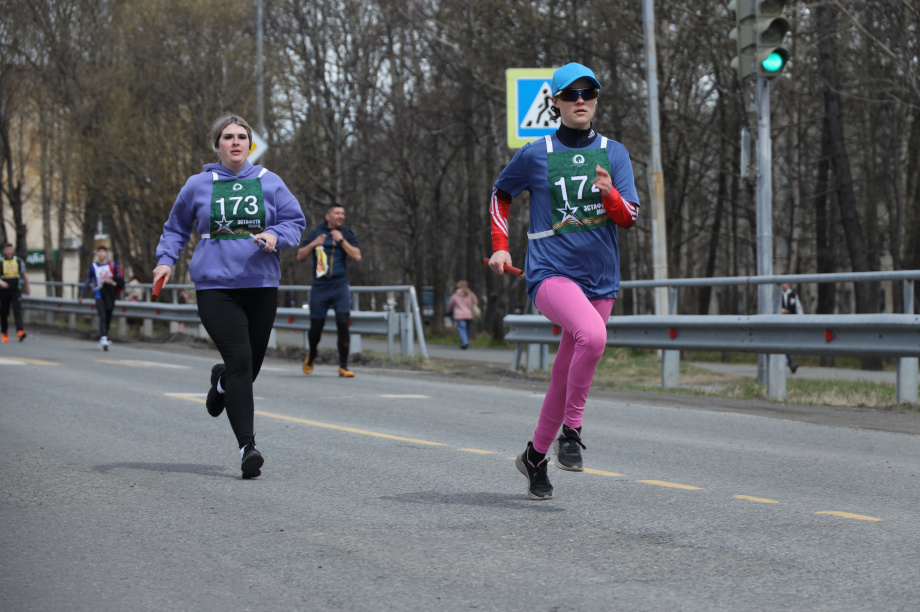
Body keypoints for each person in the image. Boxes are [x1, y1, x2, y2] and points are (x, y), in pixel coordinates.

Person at [488, 63, 640, 500]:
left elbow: (629, 217)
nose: (580, 100)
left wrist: (609, 194)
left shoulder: (615, 152)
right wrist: (501, 244)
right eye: (570, 94)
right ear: (554, 102)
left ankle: (534, 457)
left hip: (600, 280)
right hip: (550, 274)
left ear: (595, 99)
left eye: (588, 92)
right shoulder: (536, 153)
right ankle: (571, 431)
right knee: (593, 337)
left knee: (562, 373)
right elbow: (501, 193)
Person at [153, 113, 306, 480]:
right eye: (227, 137)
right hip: (215, 286)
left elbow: (294, 223)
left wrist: (275, 236)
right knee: (240, 359)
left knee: (247, 368)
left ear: (249, 145)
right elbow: (175, 228)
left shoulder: (270, 182)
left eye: (241, 137)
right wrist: (164, 262)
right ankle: (247, 448)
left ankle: (221, 383)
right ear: (217, 145)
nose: (235, 142)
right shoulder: (198, 184)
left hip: (260, 284)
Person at [296, 203, 362, 378]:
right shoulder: (316, 232)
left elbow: (356, 256)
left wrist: (340, 240)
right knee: (316, 327)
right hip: (320, 285)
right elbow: (300, 256)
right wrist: (314, 244)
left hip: (339, 285)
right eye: (337, 213)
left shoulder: (347, 234)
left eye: (343, 213)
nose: (341, 216)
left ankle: (343, 366)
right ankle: (312, 353)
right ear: (328, 216)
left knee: (343, 322)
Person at [78, 245, 124, 350]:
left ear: (106, 254)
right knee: (102, 315)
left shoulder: (112, 265)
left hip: (109, 293)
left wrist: (113, 281)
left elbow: (119, 278)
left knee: (108, 315)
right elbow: (87, 281)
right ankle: (103, 338)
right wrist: (82, 294)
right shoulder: (93, 267)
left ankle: (104, 336)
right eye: (99, 252)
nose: (101, 254)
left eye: (103, 252)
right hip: (98, 293)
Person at [0, 242, 30, 343]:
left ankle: (20, 331)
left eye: (10, 249)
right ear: (4, 251)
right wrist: (2, 283)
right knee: (4, 313)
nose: (8, 252)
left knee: (17, 311)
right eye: (6, 249)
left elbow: (24, 274)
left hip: (15, 290)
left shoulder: (18, 261)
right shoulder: (1, 262)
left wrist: (27, 287)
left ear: (13, 251)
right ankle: (4, 333)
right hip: (4, 291)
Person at [447, 280, 479, 349]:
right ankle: (464, 341)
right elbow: (475, 302)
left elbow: (450, 304)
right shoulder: (470, 294)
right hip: (469, 315)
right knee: (466, 329)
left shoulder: (456, 294)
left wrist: (448, 311)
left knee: (462, 329)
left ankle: (465, 343)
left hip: (459, 315)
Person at [780, 282, 803, 373]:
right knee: (783, 341)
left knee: (787, 342)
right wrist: (779, 310)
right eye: (784, 283)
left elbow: (799, 309)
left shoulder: (793, 295)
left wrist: (800, 320)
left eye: (787, 283)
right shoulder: (777, 295)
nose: (785, 285)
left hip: (790, 322)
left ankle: (789, 361)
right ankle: (790, 362)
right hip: (780, 322)